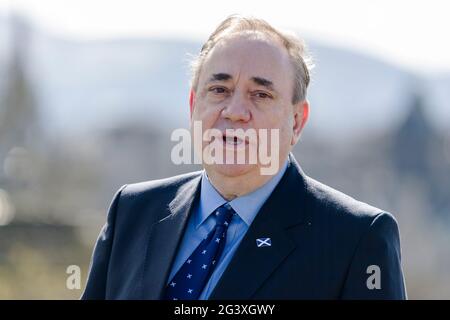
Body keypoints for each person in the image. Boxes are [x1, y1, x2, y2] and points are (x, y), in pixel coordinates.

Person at [81, 15, 407, 300]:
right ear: (194, 104)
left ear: (296, 121)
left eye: (260, 94)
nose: (235, 112)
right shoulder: (133, 211)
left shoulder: (355, 240)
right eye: (219, 90)